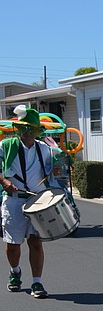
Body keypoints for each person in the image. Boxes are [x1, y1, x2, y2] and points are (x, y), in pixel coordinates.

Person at [0, 107, 61, 299]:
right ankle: (15, 271)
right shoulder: (6, 146)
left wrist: (56, 169)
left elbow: (53, 169)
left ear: (37, 131)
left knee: (35, 242)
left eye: (31, 129)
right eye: (24, 129)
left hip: (38, 202)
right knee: (13, 244)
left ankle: (37, 282)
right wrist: (4, 181)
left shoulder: (45, 149)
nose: (27, 133)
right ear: (18, 129)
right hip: (13, 202)